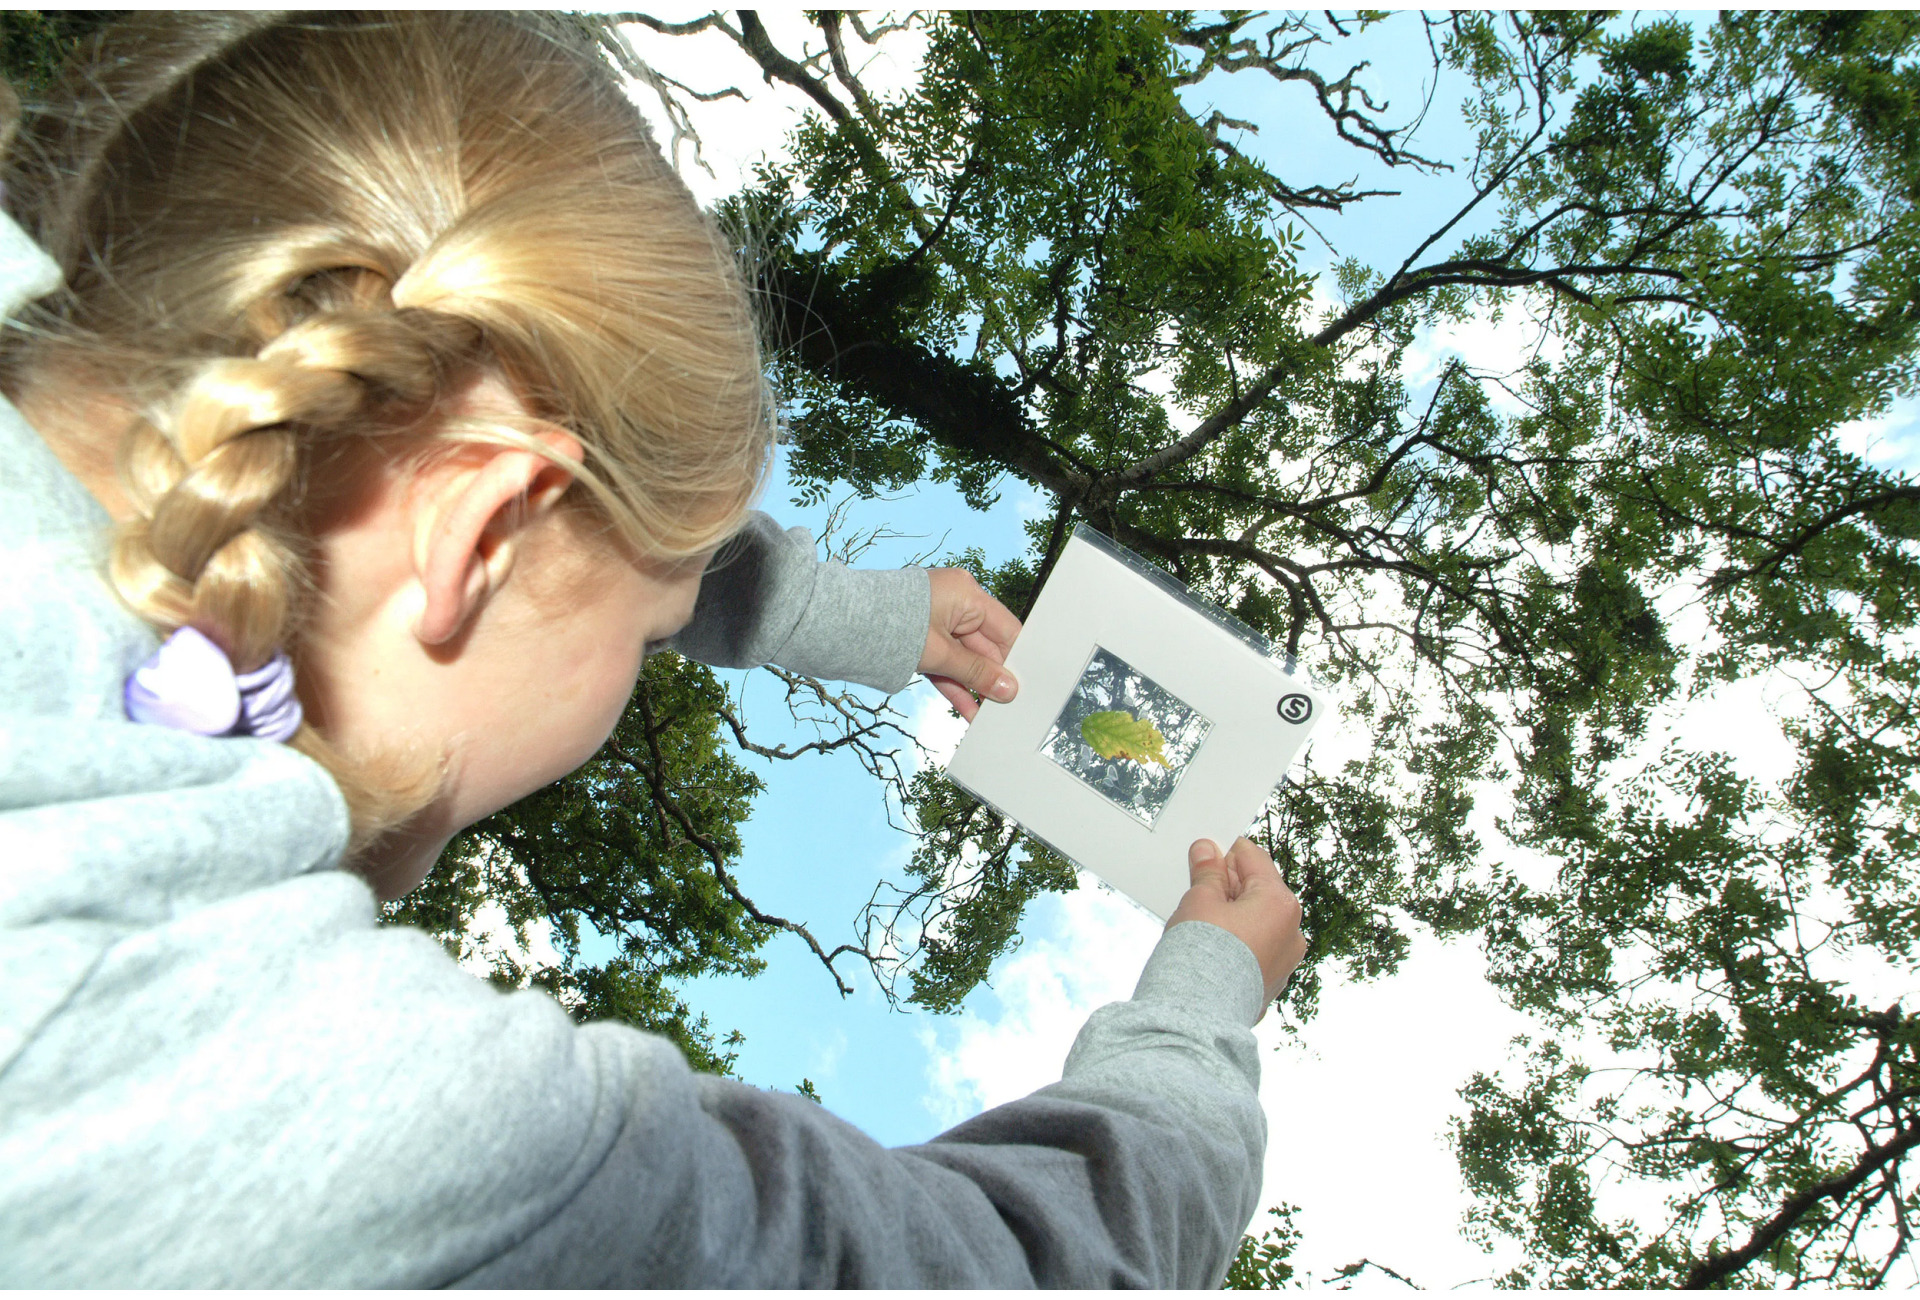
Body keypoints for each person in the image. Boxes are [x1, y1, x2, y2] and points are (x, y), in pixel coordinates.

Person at [0, 12, 1306, 1287]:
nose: (642, 668)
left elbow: (527, 512)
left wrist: (862, 615)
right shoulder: (333, 1115)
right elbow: (1006, 1271)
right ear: (480, 527)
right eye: (656, 633)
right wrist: (1199, 1015)